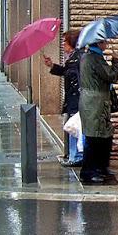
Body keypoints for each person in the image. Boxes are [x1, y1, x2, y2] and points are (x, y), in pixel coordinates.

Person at [79, 39, 118, 185]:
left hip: (96, 102)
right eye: (105, 41)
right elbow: (111, 76)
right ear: (99, 43)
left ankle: (101, 167)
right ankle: (89, 172)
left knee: (104, 136)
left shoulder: (90, 56)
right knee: (94, 138)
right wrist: (115, 61)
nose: (107, 44)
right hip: (94, 103)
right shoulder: (94, 58)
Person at [43, 29, 83, 167]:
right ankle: (74, 155)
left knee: (74, 128)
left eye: (65, 41)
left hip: (76, 99)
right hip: (74, 99)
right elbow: (66, 72)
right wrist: (52, 66)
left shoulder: (77, 58)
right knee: (74, 127)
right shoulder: (73, 58)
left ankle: (76, 156)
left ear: (72, 42)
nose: (63, 45)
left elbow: (74, 76)